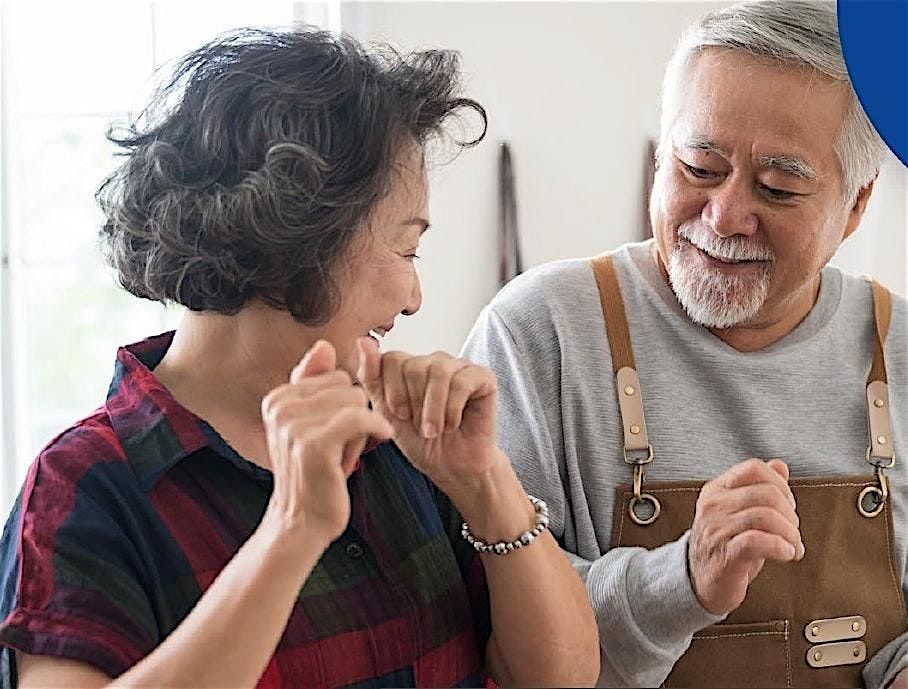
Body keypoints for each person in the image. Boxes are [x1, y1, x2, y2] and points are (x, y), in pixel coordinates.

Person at [0, 28, 599, 689]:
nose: (414, 298)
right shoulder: (83, 489)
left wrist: (484, 483)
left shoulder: (401, 442)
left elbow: (563, 675)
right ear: (297, 237)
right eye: (406, 249)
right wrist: (292, 531)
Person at [461, 1, 906, 687]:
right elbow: (491, 636)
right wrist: (683, 576)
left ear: (855, 205)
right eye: (699, 167)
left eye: (779, 187)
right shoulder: (538, 335)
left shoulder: (899, 349)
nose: (725, 215)